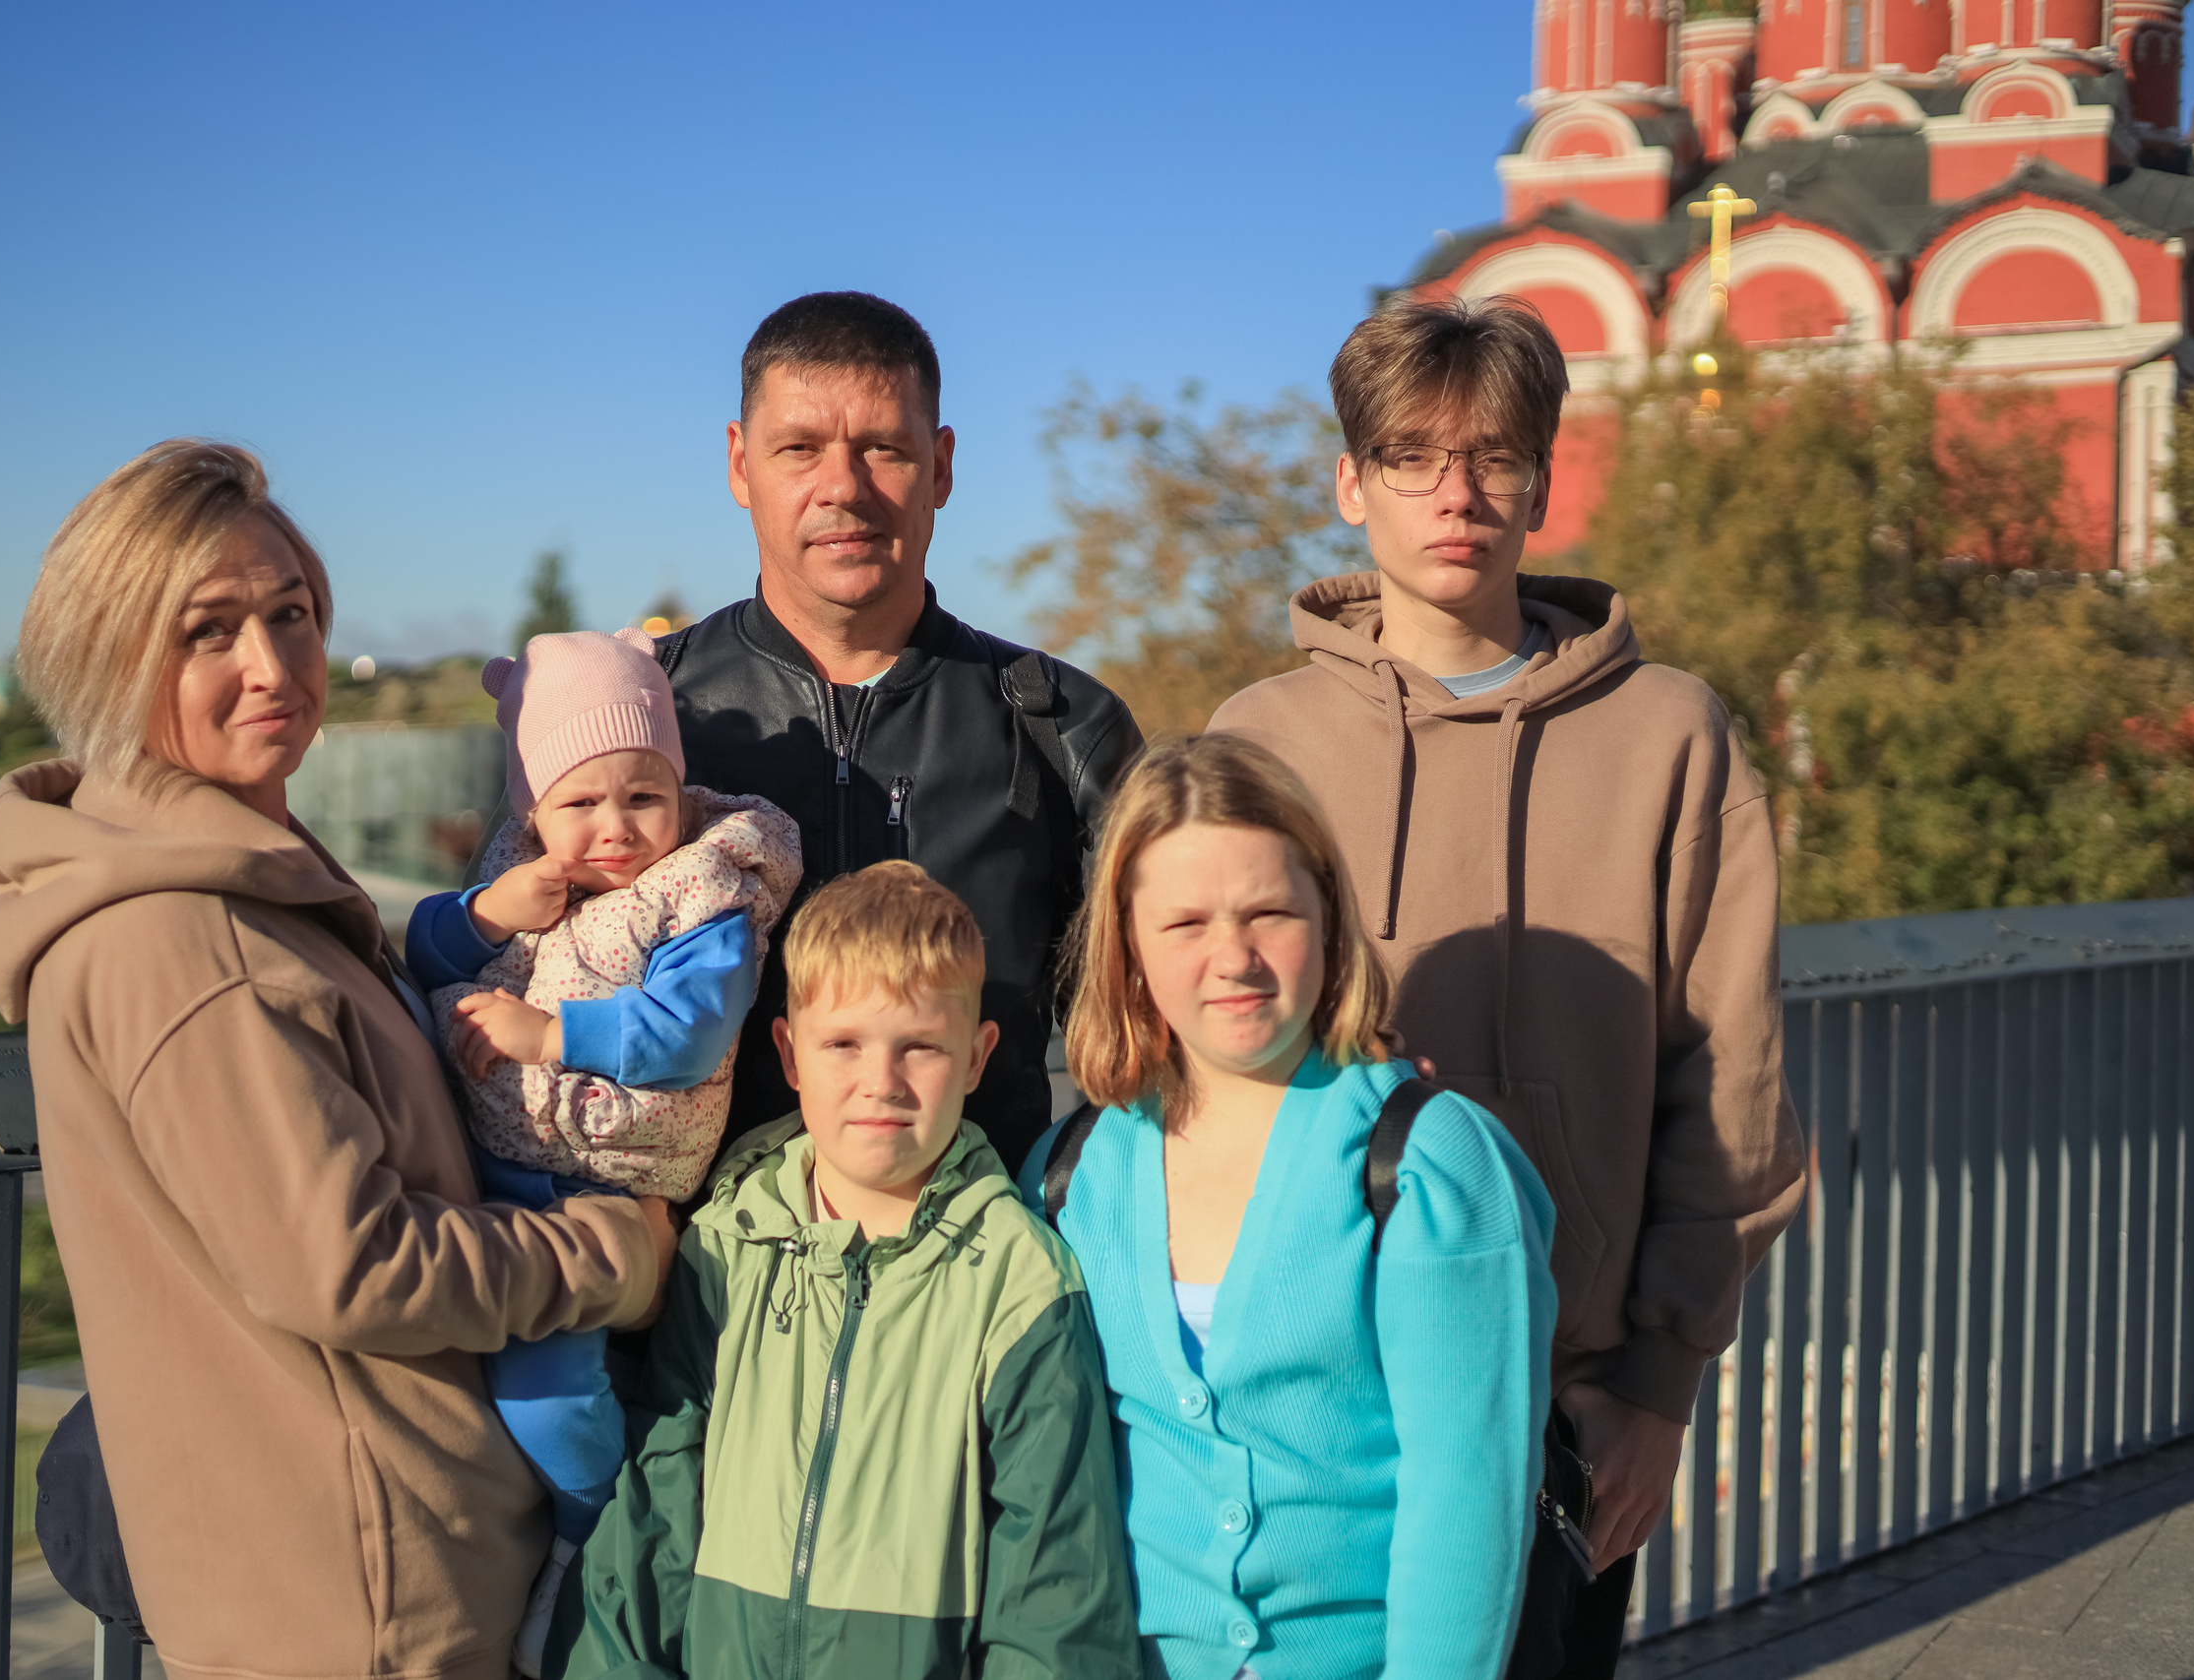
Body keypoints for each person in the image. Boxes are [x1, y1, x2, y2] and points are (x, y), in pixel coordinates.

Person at [0, 440, 678, 1680]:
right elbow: (356, 1265)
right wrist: (620, 1255)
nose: (273, 666)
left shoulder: (237, 894)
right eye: (208, 632)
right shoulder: (187, 940)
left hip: (350, 1570)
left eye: (291, 614)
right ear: (110, 657)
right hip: (369, 1600)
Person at [1209, 295, 1805, 1677]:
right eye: (1413, 454)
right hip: (1304, 1393)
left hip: (1568, 1400)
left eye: (1495, 456)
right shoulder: (1258, 739)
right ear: (1351, 482)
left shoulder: (1671, 736)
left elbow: (1730, 1074)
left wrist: (1657, 1384)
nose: (1457, 492)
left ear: (1543, 477)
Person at [1020, 732, 1556, 1680]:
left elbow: (1467, 1499)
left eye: (1269, 911)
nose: (1235, 957)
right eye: (1185, 924)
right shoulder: (1072, 1175)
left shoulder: (1428, 1165)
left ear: (1327, 919)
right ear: (1130, 947)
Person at [565, 861, 1143, 1680]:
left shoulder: (1021, 1284)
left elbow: (1057, 1592)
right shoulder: (731, 1242)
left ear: (977, 1058)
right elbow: (656, 1514)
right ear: (790, 1053)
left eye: (920, 1047)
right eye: (844, 1043)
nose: (882, 1082)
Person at [646, 290, 1143, 1170]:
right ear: (739, 462)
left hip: (989, 1285)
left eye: (884, 448)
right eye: (799, 448)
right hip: (698, 1291)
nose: (843, 487)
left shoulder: (1068, 732)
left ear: (942, 467)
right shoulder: (644, 722)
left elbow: (1163, 1039)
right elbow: (501, 991)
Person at [401, 627, 798, 1665]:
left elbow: (693, 1031)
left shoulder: (703, 886)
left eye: (642, 795)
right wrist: (485, 914)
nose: (615, 828)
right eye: (580, 803)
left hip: (603, 1183)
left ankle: (600, 1541)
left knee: (549, 1396)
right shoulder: (520, 871)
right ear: (534, 808)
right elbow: (421, 945)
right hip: (500, 1171)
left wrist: (550, 1034)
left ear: (679, 788)